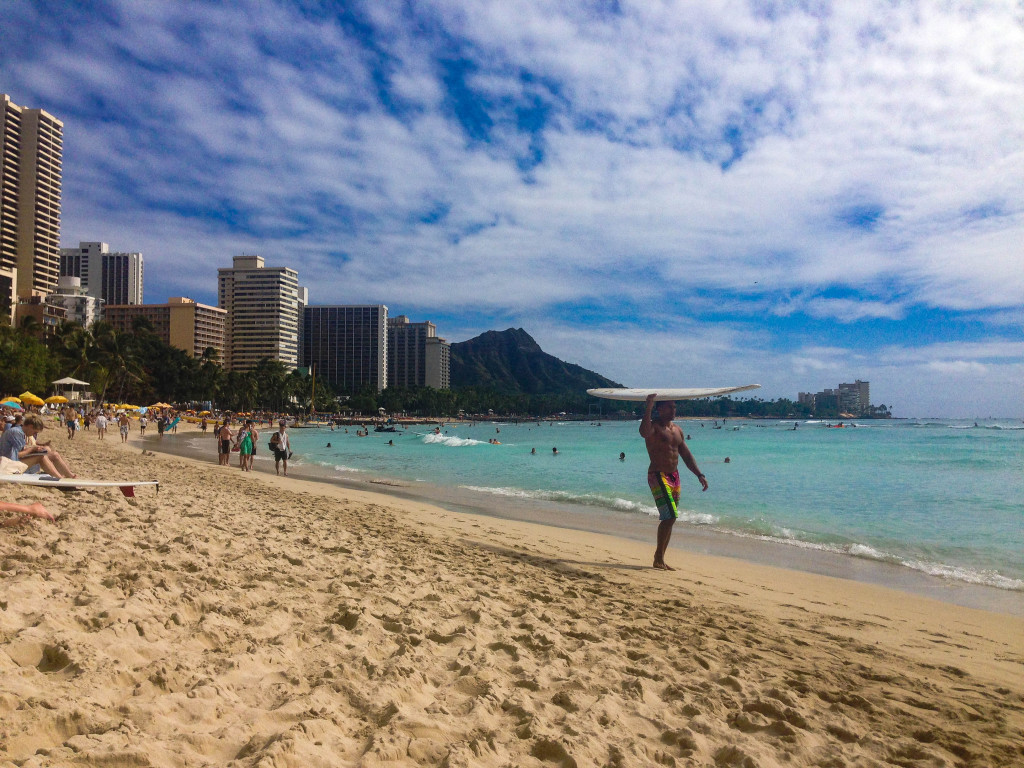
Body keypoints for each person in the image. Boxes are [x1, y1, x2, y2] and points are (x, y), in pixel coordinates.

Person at [640, 394, 707, 571]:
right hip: (657, 474)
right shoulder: (654, 427)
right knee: (670, 516)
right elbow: (643, 433)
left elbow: (685, 454)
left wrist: (699, 474)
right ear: (660, 409)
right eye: (669, 407)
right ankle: (658, 557)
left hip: (674, 476)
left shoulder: (677, 430)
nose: (673, 410)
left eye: (675, 407)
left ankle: (660, 558)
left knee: (671, 518)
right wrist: (648, 406)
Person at [0, 414, 75, 478]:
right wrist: (32, 449)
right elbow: (18, 455)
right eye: (35, 432)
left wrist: (35, 449)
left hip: (11, 462)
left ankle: (70, 476)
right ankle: (59, 478)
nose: (34, 434)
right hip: (8, 465)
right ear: (30, 426)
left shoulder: (18, 431)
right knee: (41, 457)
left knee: (54, 454)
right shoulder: (16, 432)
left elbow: (18, 451)